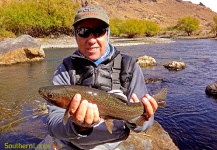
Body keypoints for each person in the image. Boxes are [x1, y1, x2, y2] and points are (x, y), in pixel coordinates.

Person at [36, 5, 158, 150]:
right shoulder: (65, 69)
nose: (91, 39)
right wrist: (78, 126)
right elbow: (54, 125)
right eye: (83, 32)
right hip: (72, 144)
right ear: (75, 35)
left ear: (108, 34)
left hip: (114, 145)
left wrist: (140, 118)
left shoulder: (129, 67)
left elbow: (145, 125)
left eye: (98, 31)